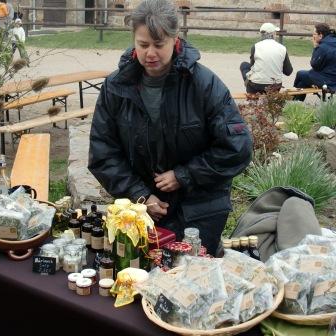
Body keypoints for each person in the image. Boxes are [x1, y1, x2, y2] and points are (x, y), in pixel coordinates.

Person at [88, 0, 252, 256]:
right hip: (141, 213)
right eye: (142, 45)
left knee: (190, 281)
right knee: (139, 279)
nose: (149, 53)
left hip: (201, 210)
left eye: (158, 44)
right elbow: (103, 153)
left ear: (175, 40)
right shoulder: (116, 87)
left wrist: (184, 175)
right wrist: (140, 197)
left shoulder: (204, 84)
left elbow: (237, 148)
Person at [240, 22, 293, 94]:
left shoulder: (255, 47)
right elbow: (288, 71)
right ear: (273, 34)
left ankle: (251, 94)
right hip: (275, 87)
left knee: (244, 65)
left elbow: (252, 67)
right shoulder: (282, 48)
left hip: (256, 86)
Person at [294, 23, 336, 101]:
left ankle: (296, 101)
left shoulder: (323, 47)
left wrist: (315, 47)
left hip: (329, 81)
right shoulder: (333, 41)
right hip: (331, 76)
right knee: (303, 80)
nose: (313, 36)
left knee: (300, 74)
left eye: (314, 34)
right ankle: (296, 100)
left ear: (320, 35)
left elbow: (314, 65)